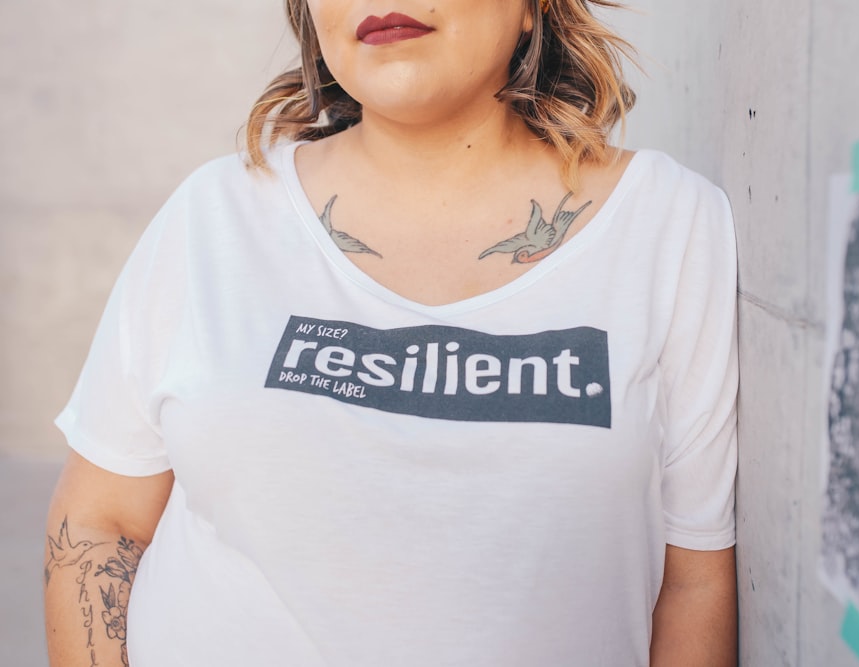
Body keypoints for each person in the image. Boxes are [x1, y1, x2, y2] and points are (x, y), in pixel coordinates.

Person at [44, 1, 739, 665]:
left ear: (535, 5)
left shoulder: (670, 226)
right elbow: (100, 521)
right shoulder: (212, 218)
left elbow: (695, 581)